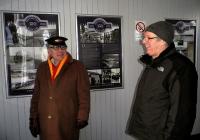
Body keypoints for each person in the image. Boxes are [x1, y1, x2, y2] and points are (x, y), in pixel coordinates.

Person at [126, 21, 198, 140]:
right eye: (144, 38)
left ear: (163, 40)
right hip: (147, 134)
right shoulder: (153, 63)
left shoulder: (180, 67)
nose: (143, 41)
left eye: (149, 38)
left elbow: (182, 114)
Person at [29, 36, 90, 140]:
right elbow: (36, 96)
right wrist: (33, 118)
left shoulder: (77, 67)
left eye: (62, 47)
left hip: (67, 121)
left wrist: (82, 117)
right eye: (55, 48)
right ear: (49, 51)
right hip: (45, 122)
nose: (60, 51)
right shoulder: (42, 68)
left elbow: (84, 95)